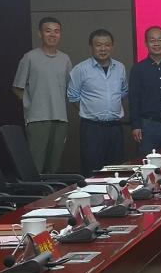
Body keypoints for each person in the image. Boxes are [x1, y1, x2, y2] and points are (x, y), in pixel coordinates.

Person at [12, 16, 72, 173]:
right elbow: (17, 87)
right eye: (48, 31)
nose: (52, 34)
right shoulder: (30, 57)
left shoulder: (65, 59)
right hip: (37, 119)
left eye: (56, 31)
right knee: (36, 164)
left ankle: (50, 190)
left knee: (54, 165)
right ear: (40, 34)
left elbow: (70, 89)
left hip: (60, 119)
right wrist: (31, 104)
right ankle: (37, 190)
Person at [66, 28, 128, 175]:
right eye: (98, 45)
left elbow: (124, 91)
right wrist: (90, 111)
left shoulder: (120, 68)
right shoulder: (80, 69)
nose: (103, 49)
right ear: (91, 47)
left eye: (107, 45)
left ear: (112, 47)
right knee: (92, 170)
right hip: (92, 128)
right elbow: (73, 97)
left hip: (115, 128)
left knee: (116, 171)